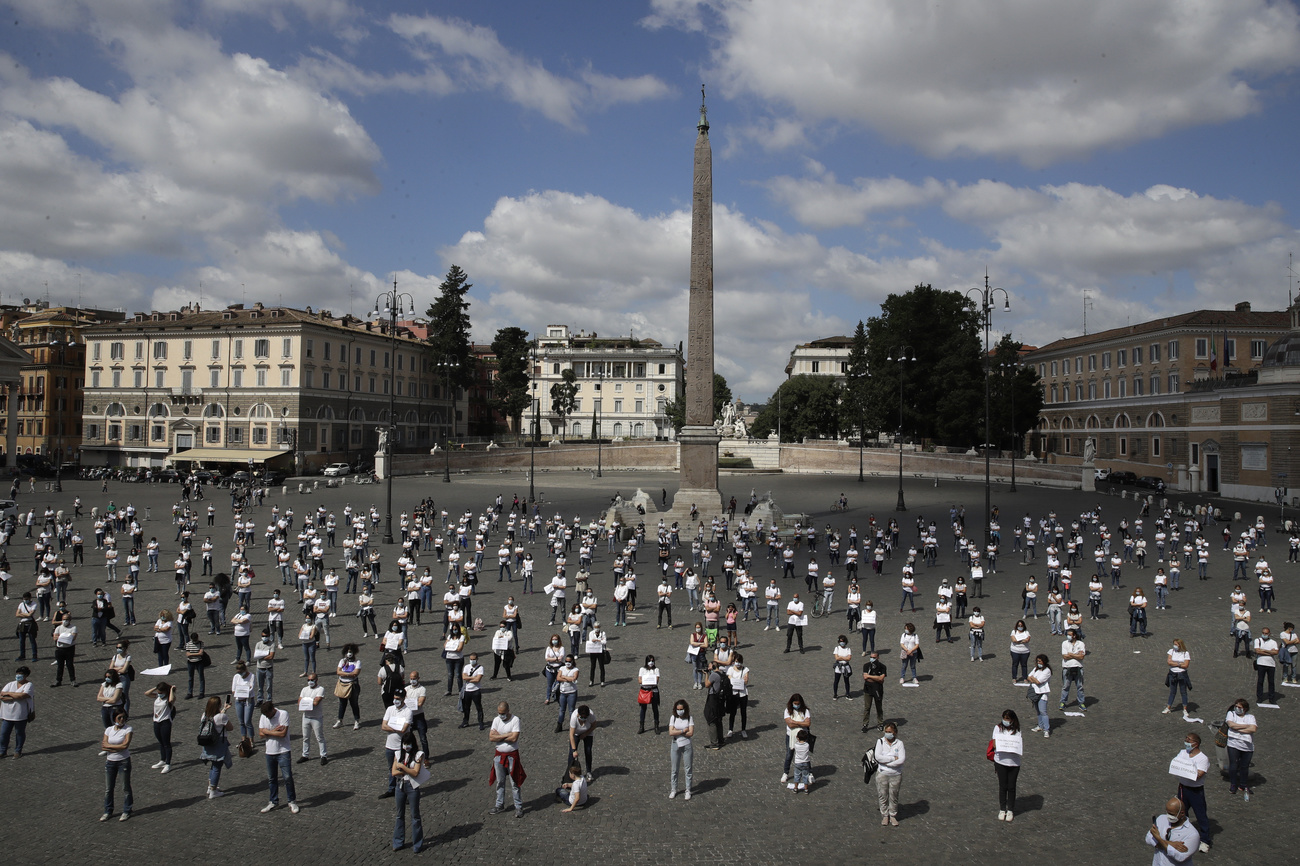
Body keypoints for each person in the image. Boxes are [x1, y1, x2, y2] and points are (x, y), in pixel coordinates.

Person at [258, 699, 300, 813]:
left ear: (273, 710)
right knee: (272, 779)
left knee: (287, 777)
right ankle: (273, 801)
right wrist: (273, 730)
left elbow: (282, 734)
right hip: (269, 751)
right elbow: (260, 734)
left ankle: (292, 801)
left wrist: (268, 731)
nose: (267, 717)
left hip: (283, 751)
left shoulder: (283, 714)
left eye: (269, 715)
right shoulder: (264, 717)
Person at [1175, 733, 1213, 853]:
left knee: (1201, 815)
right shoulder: (1182, 753)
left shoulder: (1202, 758)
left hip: (1195, 791)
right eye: (1186, 738)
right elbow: (1175, 765)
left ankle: (1205, 840)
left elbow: (1198, 775)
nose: (1186, 741)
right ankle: (1182, 835)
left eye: (1189, 740)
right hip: (1182, 788)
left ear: (1196, 744)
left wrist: (1183, 769)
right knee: (1181, 813)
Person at [391, 729, 426, 851]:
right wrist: (404, 769)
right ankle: (398, 842)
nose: (406, 746)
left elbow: (415, 772)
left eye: (408, 744)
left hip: (412, 786)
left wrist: (402, 768)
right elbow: (393, 772)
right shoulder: (398, 754)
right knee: (399, 815)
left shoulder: (418, 755)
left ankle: (417, 844)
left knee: (415, 815)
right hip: (400, 786)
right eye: (404, 744)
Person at [488, 701, 525, 817]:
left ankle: (518, 807)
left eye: (503, 713)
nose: (501, 715)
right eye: (499, 713)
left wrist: (499, 736)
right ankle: (499, 804)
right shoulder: (496, 720)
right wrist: (507, 735)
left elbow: (514, 738)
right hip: (499, 756)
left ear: (508, 711)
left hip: (512, 756)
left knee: (515, 782)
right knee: (500, 782)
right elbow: (491, 737)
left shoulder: (515, 720)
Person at [1145, 796, 1201, 865]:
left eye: (1171, 814)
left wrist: (1159, 839)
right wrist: (1171, 844)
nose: (1168, 816)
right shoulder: (1161, 818)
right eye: (1167, 812)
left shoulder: (1192, 834)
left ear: (1182, 813)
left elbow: (1180, 857)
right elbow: (1148, 839)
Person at [100, 710, 134, 822]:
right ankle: (108, 811)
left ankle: (127, 810)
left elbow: (125, 745)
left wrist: (110, 747)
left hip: (123, 761)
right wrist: (117, 747)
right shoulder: (109, 730)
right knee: (108, 789)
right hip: (110, 762)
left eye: (124, 717)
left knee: (125, 787)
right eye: (120, 717)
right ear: (114, 718)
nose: (122, 720)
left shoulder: (128, 729)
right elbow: (103, 746)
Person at [199, 695, 234, 798]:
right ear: (218, 705)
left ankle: (210, 787)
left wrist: (224, 709)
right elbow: (230, 727)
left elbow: (217, 718)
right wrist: (224, 713)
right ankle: (214, 790)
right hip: (219, 743)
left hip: (208, 741)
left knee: (213, 765)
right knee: (217, 766)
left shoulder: (205, 715)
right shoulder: (221, 717)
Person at [380, 686, 413, 797]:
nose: (396, 700)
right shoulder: (390, 709)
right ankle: (392, 789)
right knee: (391, 769)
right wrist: (396, 727)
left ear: (403, 699)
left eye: (398, 698)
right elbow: (383, 726)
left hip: (401, 746)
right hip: (390, 745)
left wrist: (391, 725)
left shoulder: (408, 711)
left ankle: (405, 791)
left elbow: (404, 729)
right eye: (395, 698)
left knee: (403, 769)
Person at [992, 709, 1023, 822]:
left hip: (1014, 763)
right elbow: (994, 743)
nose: (1005, 721)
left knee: (1011, 786)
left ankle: (1010, 809)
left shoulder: (1017, 730)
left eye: (1008, 719)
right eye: (1004, 718)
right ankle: (1002, 809)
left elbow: (1017, 744)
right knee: (1002, 786)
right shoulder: (998, 728)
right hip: (1000, 762)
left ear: (1012, 720)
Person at [1224, 698, 1256, 798]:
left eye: (1240, 707)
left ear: (1245, 709)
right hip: (1233, 744)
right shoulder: (1231, 714)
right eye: (1236, 706)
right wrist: (1246, 726)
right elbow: (1231, 725)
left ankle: (1243, 784)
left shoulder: (1251, 717)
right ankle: (1233, 784)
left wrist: (1237, 728)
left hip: (1247, 746)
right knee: (1233, 765)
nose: (1237, 708)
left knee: (1244, 766)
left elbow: (1253, 729)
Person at [873, 722, 905, 825]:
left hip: (895, 774)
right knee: (882, 796)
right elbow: (878, 757)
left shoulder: (899, 744)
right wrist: (892, 759)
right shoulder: (880, 742)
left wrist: (887, 763)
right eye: (886, 732)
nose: (887, 734)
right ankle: (885, 815)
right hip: (882, 774)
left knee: (893, 796)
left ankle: (893, 815)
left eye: (889, 732)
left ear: (894, 732)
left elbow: (901, 760)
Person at [0, 666, 33, 758]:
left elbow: (22, 696)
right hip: (7, 714)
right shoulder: (10, 684)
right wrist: (15, 695)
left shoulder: (29, 685)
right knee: (4, 734)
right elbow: (2, 695)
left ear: (26, 676)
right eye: (17, 674)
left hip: (20, 714)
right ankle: (3, 751)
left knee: (19, 733)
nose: (18, 676)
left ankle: (18, 750)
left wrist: (9, 694)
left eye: (21, 674)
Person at [143, 680, 176, 773]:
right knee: (161, 742)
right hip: (156, 722)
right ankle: (162, 760)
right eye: (158, 692)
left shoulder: (168, 699)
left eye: (161, 692)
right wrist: (155, 688)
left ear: (165, 692)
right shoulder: (157, 697)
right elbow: (147, 693)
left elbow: (171, 700)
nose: (159, 694)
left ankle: (168, 763)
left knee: (166, 743)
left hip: (165, 722)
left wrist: (171, 691)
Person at [297, 673, 327, 765]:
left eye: (312, 680)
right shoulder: (304, 689)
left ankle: (323, 755)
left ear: (316, 680)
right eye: (308, 680)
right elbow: (299, 702)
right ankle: (305, 755)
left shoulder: (320, 689)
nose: (310, 682)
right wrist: (311, 700)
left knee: (319, 737)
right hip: (306, 716)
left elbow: (316, 702)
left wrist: (305, 701)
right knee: (305, 737)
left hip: (316, 717)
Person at [667, 698, 694, 800]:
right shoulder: (673, 718)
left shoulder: (689, 718)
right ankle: (673, 789)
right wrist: (683, 730)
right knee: (674, 769)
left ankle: (688, 790)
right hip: (675, 744)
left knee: (688, 768)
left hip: (687, 745)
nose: (679, 711)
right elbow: (671, 732)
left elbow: (691, 733)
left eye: (681, 709)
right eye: (678, 709)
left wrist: (676, 730)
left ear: (685, 709)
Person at [781, 693, 811, 782]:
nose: (797, 705)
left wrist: (795, 722)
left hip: (803, 736)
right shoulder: (787, 710)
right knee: (789, 754)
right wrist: (802, 723)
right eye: (795, 704)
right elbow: (789, 724)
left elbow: (808, 723)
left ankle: (810, 773)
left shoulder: (805, 711)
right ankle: (785, 773)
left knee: (805, 754)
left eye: (798, 704)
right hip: (791, 735)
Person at [334, 645, 362, 730]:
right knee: (342, 703)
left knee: (354, 703)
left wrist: (344, 674)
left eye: (350, 652)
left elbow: (355, 673)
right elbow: (338, 672)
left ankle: (357, 721)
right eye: (347, 652)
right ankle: (340, 720)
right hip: (342, 685)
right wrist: (349, 674)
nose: (349, 654)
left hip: (352, 685)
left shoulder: (357, 662)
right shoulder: (342, 661)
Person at [1060, 628, 1086, 711]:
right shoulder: (1064, 643)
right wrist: (1076, 655)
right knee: (1065, 686)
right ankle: (1063, 702)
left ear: (1074, 636)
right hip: (1067, 668)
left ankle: (1081, 702)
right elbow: (1065, 656)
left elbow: (1082, 656)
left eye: (1070, 635)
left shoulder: (1081, 644)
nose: (1068, 636)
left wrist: (1071, 654)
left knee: (1080, 686)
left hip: (1078, 668)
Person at [1165, 639, 1192, 717]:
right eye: (1174, 644)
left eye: (1176, 644)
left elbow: (1186, 665)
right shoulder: (1171, 651)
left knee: (1183, 692)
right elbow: (1168, 662)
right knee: (1172, 691)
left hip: (1182, 675)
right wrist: (1180, 663)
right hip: (1172, 674)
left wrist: (1174, 663)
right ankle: (1168, 707)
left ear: (1180, 645)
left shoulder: (1185, 653)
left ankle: (1185, 709)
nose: (1174, 646)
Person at [1252, 626, 1279, 704]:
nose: (1264, 634)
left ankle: (1272, 698)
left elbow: (1276, 652)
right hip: (1261, 663)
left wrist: (1263, 650)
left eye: (1266, 633)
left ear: (1269, 634)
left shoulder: (1273, 642)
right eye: (1263, 633)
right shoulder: (1258, 640)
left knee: (1271, 682)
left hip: (1271, 664)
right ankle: (1259, 697)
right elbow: (1258, 651)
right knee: (1260, 681)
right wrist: (1270, 652)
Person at [569, 704, 595, 781]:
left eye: (585, 717)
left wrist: (586, 734)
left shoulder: (591, 715)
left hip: (588, 733)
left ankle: (589, 772)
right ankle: (570, 772)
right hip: (576, 734)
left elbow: (594, 725)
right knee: (571, 754)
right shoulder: (574, 717)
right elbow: (571, 734)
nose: (583, 719)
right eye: (581, 717)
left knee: (588, 751)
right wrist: (574, 750)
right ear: (578, 714)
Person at [1027, 655, 1051, 737]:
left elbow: (1038, 681)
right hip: (1035, 692)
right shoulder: (1036, 669)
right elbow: (1028, 677)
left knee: (1043, 711)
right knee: (1038, 711)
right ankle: (1040, 726)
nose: (1038, 663)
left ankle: (1046, 729)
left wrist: (1033, 679)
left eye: (1040, 661)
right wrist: (1033, 679)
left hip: (1043, 693)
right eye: (1037, 661)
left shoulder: (1047, 671)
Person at [51, 612, 78, 687]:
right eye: (63, 619)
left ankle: (73, 680)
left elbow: (73, 638)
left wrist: (61, 637)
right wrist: (66, 637)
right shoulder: (58, 628)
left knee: (70, 665)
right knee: (60, 665)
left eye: (66, 619)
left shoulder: (73, 627)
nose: (64, 621)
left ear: (70, 620)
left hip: (69, 649)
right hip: (60, 649)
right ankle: (58, 680)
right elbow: (55, 638)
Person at [460, 653, 485, 729]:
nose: (472, 661)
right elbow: (464, 677)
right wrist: (473, 678)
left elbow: (478, 679)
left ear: (477, 659)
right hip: (467, 690)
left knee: (478, 707)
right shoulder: (466, 667)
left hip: (476, 690)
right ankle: (465, 721)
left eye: (473, 659)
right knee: (466, 707)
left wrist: (469, 678)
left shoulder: (480, 668)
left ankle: (481, 722)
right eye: (471, 659)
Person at [638, 655, 661, 734]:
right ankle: (641, 726)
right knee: (643, 709)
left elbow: (656, 681)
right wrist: (649, 680)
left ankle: (656, 726)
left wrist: (646, 680)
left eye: (652, 661)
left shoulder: (656, 670)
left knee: (655, 708)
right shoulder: (642, 669)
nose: (651, 663)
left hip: (653, 690)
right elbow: (639, 681)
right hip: (644, 691)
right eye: (649, 661)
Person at [832, 634, 854, 700]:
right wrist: (844, 658)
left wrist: (841, 657)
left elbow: (849, 658)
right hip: (839, 667)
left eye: (843, 641)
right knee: (836, 681)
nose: (842, 642)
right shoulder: (837, 648)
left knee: (846, 681)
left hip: (845, 667)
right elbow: (837, 658)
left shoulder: (848, 649)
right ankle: (835, 694)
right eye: (841, 641)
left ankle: (847, 694)